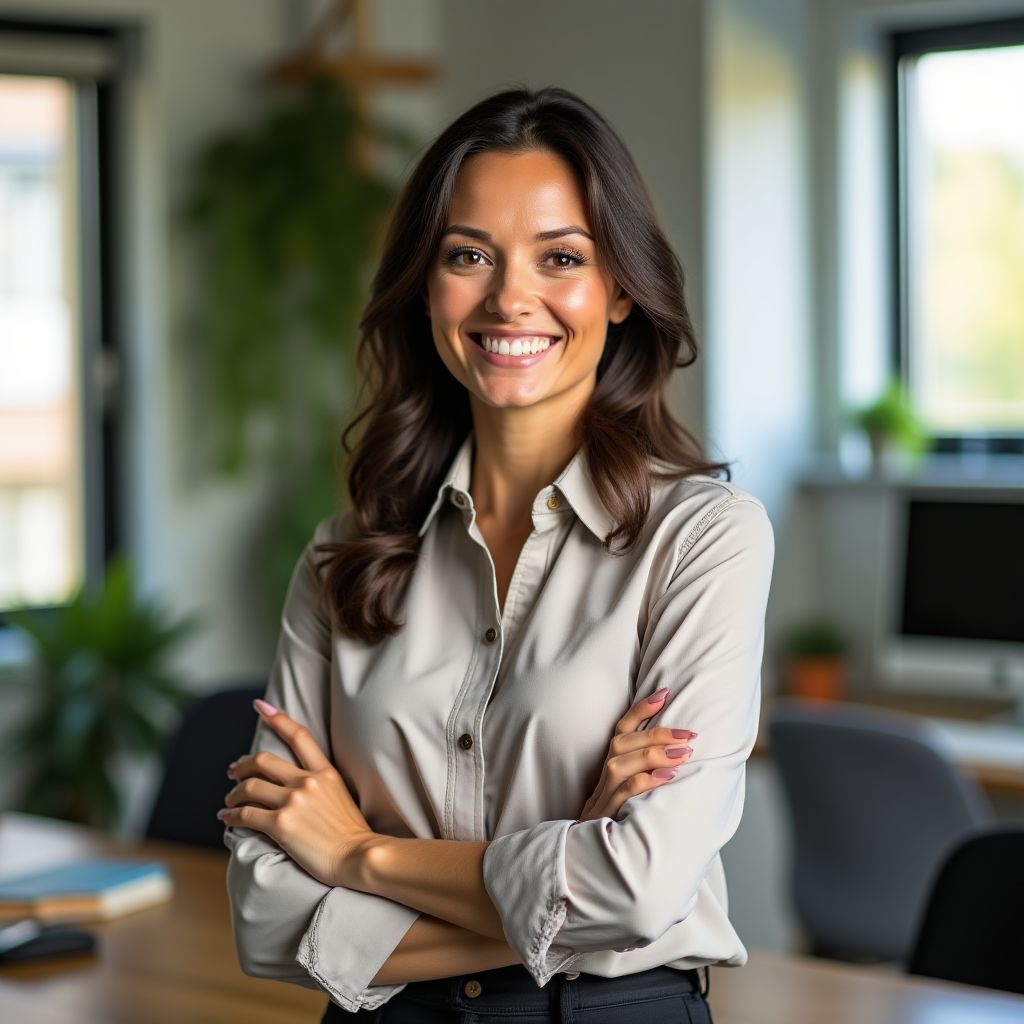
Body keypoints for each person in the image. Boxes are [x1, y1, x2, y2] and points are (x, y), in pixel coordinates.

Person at [220, 86, 775, 1023]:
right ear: (426, 287)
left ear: (623, 289)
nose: (510, 297)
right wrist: (575, 850)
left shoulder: (704, 540)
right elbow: (266, 919)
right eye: (469, 255)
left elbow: (639, 891)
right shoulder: (340, 555)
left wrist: (360, 855)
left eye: (561, 257)